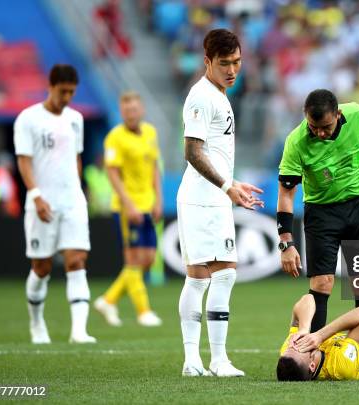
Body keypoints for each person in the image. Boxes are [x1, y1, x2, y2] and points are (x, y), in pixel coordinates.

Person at [277, 89, 359, 339]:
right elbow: (287, 193)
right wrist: (286, 242)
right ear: (305, 117)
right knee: (322, 284)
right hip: (321, 215)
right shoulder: (296, 141)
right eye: (314, 126)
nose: (320, 133)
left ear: (338, 114)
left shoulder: (357, 115)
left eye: (326, 127)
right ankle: (312, 356)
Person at [177, 28, 264, 377]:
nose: (232, 70)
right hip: (201, 200)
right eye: (225, 63)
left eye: (238, 62)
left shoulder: (220, 94)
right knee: (203, 277)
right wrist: (227, 186)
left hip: (216, 197)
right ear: (207, 62)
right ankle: (196, 359)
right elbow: (192, 151)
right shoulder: (201, 96)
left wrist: (232, 181)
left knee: (220, 275)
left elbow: (212, 151)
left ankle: (213, 360)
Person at [14, 64, 96, 344]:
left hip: (72, 201)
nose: (67, 97)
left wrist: (78, 190)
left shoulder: (75, 119)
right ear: (50, 87)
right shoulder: (28, 119)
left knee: (76, 260)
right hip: (42, 202)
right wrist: (35, 194)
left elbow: (76, 157)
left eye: (72, 92)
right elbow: (24, 161)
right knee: (42, 267)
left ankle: (79, 331)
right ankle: (37, 324)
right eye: (63, 91)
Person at [94, 91, 163, 327]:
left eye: (134, 109)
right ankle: (144, 311)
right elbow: (112, 174)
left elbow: (154, 167)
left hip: (148, 203)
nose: (131, 114)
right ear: (121, 113)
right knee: (133, 260)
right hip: (127, 207)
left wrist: (158, 199)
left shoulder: (150, 132)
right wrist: (129, 205)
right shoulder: (115, 137)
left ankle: (108, 299)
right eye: (126, 111)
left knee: (148, 259)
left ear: (141, 110)